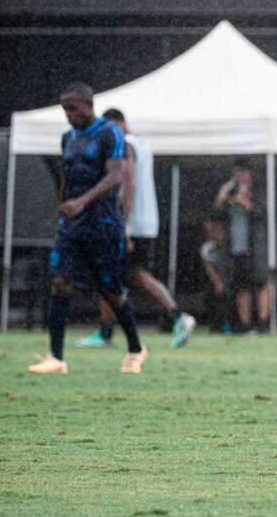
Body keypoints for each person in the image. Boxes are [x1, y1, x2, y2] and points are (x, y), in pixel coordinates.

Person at [29, 83, 147, 375]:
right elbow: (66, 179)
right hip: (72, 226)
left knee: (109, 290)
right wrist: (65, 210)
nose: (69, 115)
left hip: (104, 224)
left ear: (88, 105)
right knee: (61, 281)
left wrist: (82, 202)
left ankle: (136, 348)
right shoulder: (68, 138)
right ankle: (56, 358)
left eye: (73, 108)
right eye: (65, 109)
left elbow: (116, 176)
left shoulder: (110, 133)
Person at [76, 108, 195, 349]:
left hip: (131, 223)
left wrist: (124, 224)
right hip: (147, 221)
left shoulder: (126, 145)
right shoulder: (142, 144)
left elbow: (127, 184)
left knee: (111, 275)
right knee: (134, 276)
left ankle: (108, 333)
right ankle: (176, 317)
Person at [214, 159, 264, 332]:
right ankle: (235, 323)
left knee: (250, 286)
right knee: (233, 286)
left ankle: (253, 324)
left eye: (241, 172)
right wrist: (223, 196)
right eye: (235, 173)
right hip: (231, 248)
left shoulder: (258, 191)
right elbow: (216, 212)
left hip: (252, 248)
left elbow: (262, 213)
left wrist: (245, 204)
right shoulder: (230, 192)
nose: (238, 176)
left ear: (249, 174)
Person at [200, 212, 233, 333]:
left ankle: (228, 324)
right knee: (215, 297)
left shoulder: (230, 246)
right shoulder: (207, 248)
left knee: (230, 299)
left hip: (229, 278)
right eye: (213, 230)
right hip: (216, 280)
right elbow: (209, 268)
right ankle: (216, 325)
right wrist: (218, 283)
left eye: (219, 230)